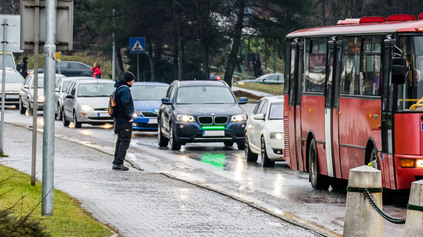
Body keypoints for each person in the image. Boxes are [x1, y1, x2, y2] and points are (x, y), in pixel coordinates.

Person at [112, 71, 135, 171]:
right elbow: (125, 103)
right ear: (130, 80)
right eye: (133, 79)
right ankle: (119, 162)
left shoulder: (119, 88)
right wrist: (129, 116)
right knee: (125, 141)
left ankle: (116, 161)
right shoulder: (125, 90)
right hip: (124, 119)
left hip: (119, 119)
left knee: (120, 140)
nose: (133, 81)